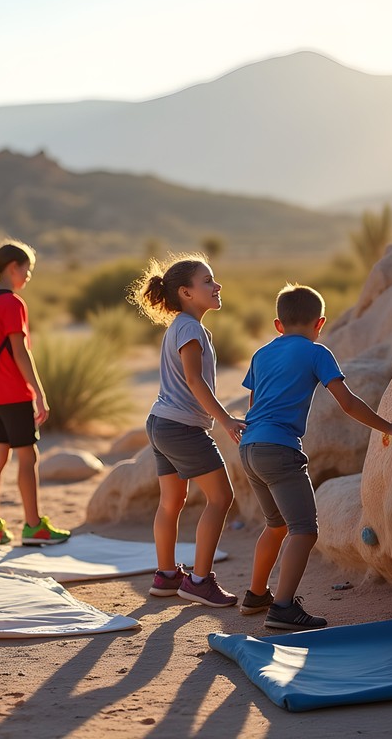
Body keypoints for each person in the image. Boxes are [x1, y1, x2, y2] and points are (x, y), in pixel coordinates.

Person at [238, 284, 392, 629]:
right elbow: (348, 402)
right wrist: (390, 427)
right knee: (305, 530)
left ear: (278, 325)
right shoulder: (316, 352)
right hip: (280, 449)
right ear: (320, 323)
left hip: (249, 447)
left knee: (276, 524)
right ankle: (282, 609)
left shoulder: (261, 354)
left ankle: (256, 595)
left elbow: (254, 407)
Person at [130, 254, 246, 608]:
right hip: (180, 427)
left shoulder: (181, 325)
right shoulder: (190, 328)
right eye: (208, 281)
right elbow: (194, 380)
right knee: (221, 498)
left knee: (171, 502)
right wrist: (225, 420)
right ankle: (198, 581)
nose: (217, 286)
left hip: (161, 423)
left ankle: (166, 576)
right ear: (186, 292)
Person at [0, 241, 71, 547]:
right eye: (27, 269)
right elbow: (20, 352)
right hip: (14, 392)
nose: (28, 275)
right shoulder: (13, 303)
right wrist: (38, 392)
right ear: (13, 267)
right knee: (28, 457)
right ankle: (33, 526)